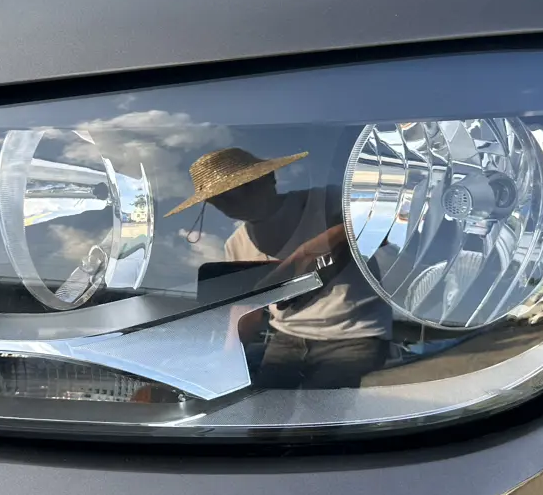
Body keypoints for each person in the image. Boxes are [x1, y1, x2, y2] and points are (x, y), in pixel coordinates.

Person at [167, 147, 392, 388]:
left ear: (269, 177)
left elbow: (386, 225)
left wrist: (306, 253)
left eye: (245, 187)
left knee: (320, 407)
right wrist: (228, 357)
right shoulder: (236, 244)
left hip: (355, 335)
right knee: (262, 409)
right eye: (221, 198)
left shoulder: (325, 201)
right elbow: (246, 307)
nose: (236, 200)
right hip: (287, 338)